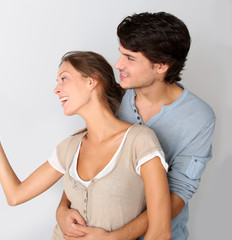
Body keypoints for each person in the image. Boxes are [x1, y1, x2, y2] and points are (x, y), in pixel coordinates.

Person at [0, 51, 172, 240]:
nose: (56, 89)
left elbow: (160, 232)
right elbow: (15, 195)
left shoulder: (140, 141)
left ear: (92, 81)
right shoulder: (68, 148)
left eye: (64, 78)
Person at [57, 12, 216, 240]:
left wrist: (116, 237)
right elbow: (85, 155)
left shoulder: (199, 118)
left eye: (130, 58)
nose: (118, 64)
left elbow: (178, 194)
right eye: (121, 54)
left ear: (161, 66)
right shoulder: (114, 96)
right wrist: (63, 208)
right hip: (97, 230)